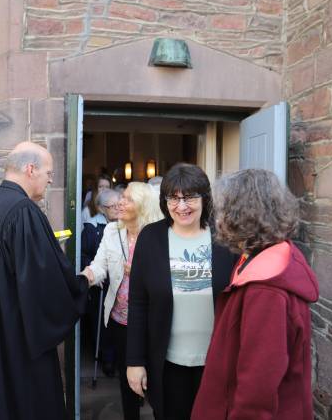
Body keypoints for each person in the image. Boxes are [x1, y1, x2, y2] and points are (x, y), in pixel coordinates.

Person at [0, 141, 89, 420]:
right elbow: (45, 286)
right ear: (30, 169)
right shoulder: (24, 212)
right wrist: (82, 283)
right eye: (49, 173)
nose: (50, 180)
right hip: (18, 344)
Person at [191, 169, 319, 420]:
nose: (218, 216)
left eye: (223, 209)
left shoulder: (266, 289)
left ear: (240, 215)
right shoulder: (261, 258)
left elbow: (258, 384)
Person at [126, 163, 238, 420]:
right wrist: (134, 361)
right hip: (167, 364)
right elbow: (138, 304)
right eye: (173, 198)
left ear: (205, 198)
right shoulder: (151, 238)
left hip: (217, 362)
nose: (182, 206)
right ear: (165, 202)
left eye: (190, 197)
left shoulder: (225, 237)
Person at [82, 182, 163, 420]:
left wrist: (142, 272)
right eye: (121, 197)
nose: (120, 202)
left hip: (153, 321)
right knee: (128, 381)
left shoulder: (160, 235)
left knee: (157, 382)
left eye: (127, 198)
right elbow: (99, 266)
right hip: (120, 319)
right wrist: (84, 277)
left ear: (143, 205)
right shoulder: (111, 231)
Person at [81, 188, 121, 377]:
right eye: (111, 206)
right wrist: (93, 272)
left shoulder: (125, 225)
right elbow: (85, 254)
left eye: (118, 205)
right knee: (102, 323)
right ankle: (107, 359)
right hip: (101, 285)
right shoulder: (91, 227)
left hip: (121, 285)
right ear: (102, 209)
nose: (116, 209)